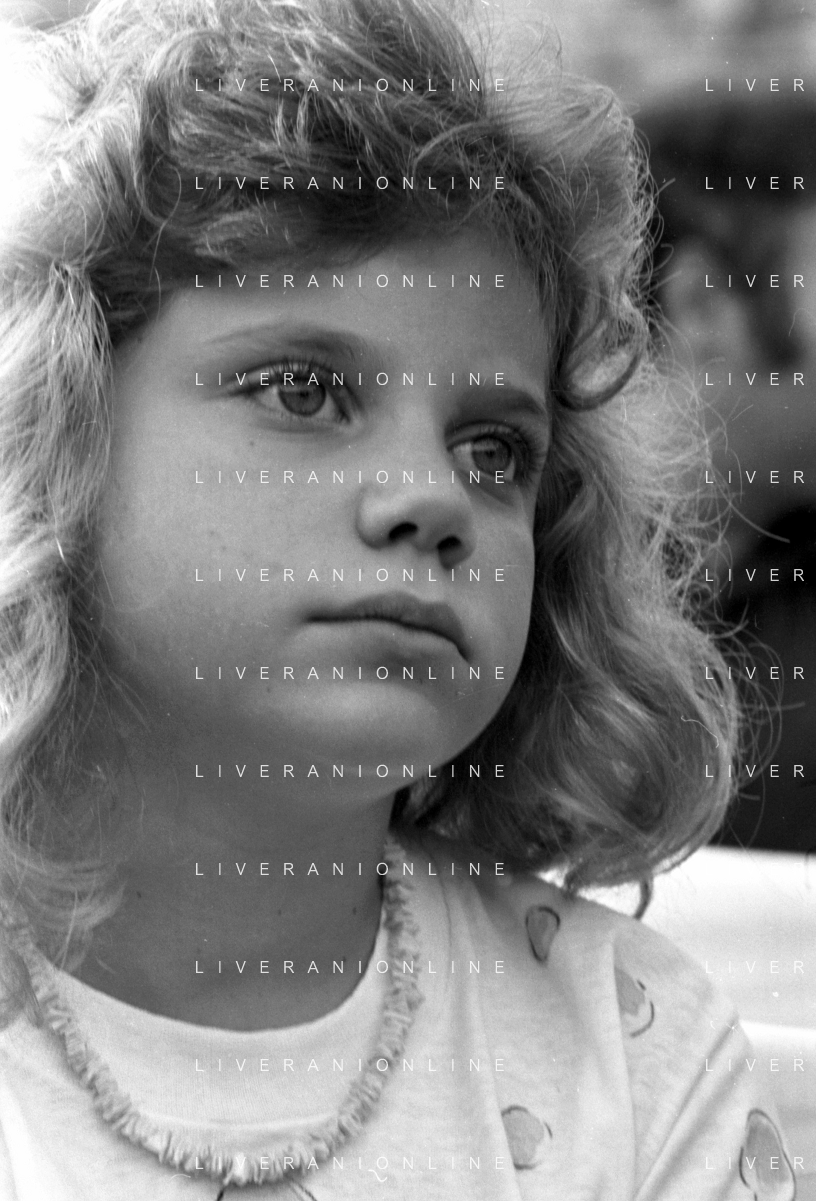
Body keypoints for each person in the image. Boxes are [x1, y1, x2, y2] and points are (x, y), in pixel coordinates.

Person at [0, 0, 797, 1196]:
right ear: (51, 419)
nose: (434, 497)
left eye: (494, 450)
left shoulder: (629, 1049)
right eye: (304, 390)